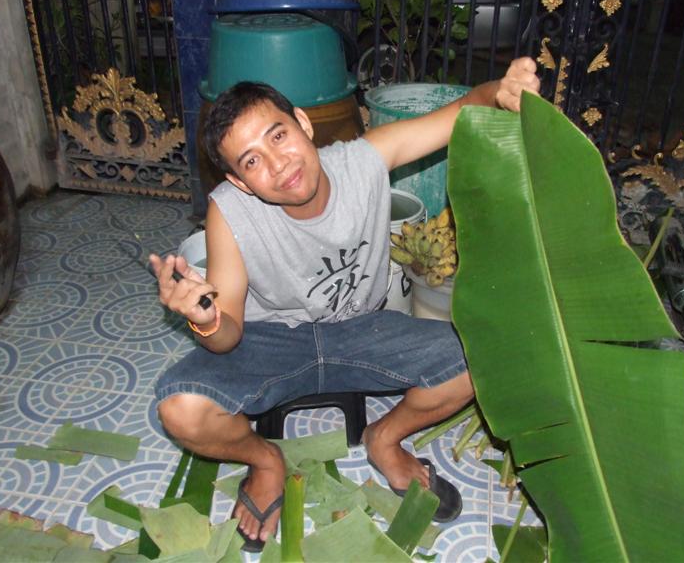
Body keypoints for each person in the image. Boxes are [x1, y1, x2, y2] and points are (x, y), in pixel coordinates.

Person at [151, 57, 540, 551]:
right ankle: (266, 461)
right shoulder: (228, 212)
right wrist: (205, 319)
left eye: (278, 136)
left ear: (303, 123)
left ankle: (384, 438)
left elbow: (463, 110)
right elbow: (227, 334)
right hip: (274, 340)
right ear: (240, 182)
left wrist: (501, 90)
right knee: (181, 411)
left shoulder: (363, 160)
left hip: (362, 329)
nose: (278, 164)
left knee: (477, 361)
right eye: (251, 161)